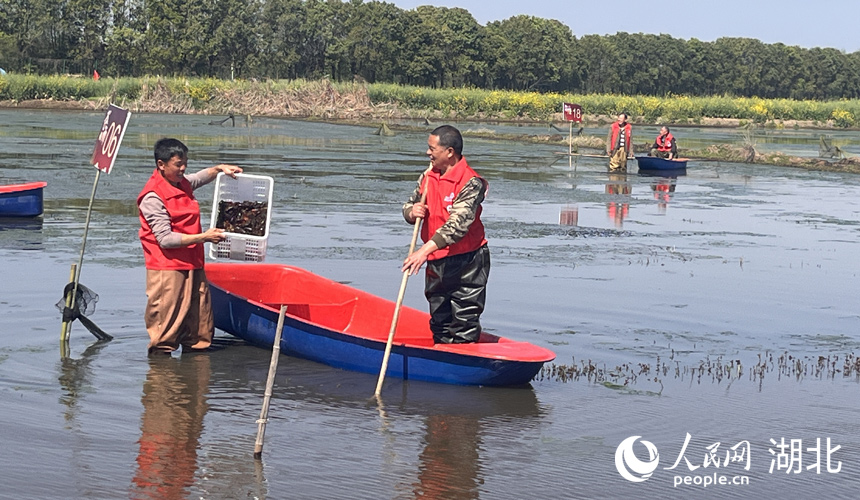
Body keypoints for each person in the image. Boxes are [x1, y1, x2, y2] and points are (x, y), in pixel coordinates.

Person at [137, 138, 242, 355]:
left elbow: (198, 178)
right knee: (165, 328)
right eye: (178, 164)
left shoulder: (180, 182)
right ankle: (160, 371)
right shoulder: (153, 196)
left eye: (185, 163)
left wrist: (219, 169)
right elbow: (165, 239)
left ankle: (195, 370)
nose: (183, 168)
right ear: (161, 164)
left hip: (193, 262)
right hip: (167, 268)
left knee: (199, 323)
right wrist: (204, 237)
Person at [402, 125, 490, 344]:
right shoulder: (428, 176)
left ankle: (463, 359)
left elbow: (457, 226)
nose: (428, 153)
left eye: (432, 149)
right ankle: (440, 354)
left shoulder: (471, 183)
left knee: (464, 321)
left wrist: (422, 252)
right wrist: (412, 212)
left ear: (449, 152)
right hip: (437, 259)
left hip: (467, 261)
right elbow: (410, 204)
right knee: (439, 319)